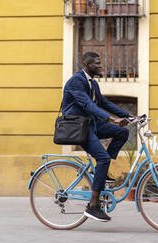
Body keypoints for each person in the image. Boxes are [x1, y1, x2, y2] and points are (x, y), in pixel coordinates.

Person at [62, 52, 132, 222]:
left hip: (91, 124)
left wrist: (129, 116)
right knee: (103, 159)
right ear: (87, 64)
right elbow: (87, 105)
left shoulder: (92, 83)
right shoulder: (76, 81)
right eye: (97, 64)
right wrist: (112, 119)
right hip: (79, 126)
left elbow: (104, 103)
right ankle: (93, 206)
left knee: (122, 132)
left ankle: (100, 171)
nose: (101, 66)